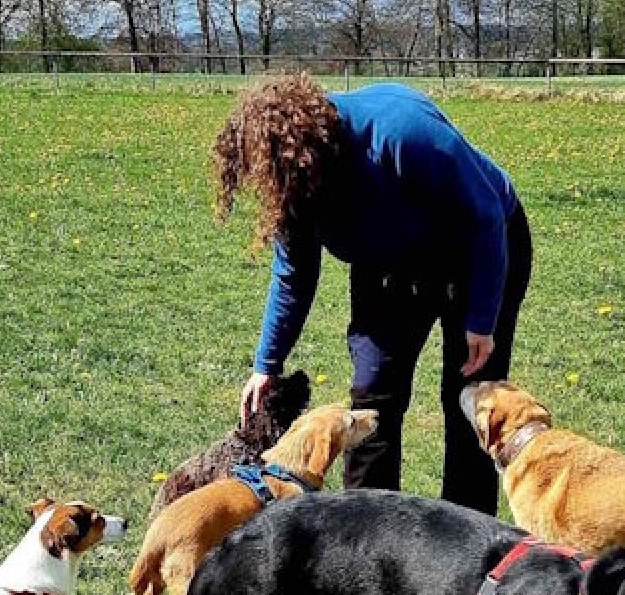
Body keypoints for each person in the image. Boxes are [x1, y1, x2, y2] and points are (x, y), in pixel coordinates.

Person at [215, 74, 531, 515]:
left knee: (468, 397)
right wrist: (267, 363)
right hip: (388, 265)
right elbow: (294, 273)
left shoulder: (400, 133)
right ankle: (365, 530)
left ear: (311, 151)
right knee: (374, 391)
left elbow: (485, 215)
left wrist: (481, 318)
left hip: (477, 248)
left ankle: (469, 537)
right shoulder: (298, 184)